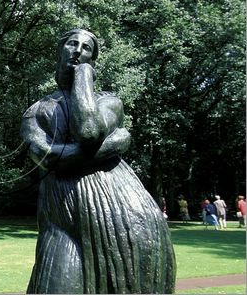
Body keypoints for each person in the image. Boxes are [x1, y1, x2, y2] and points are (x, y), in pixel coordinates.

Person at [21, 29, 175, 294]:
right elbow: (46, 158)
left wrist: (83, 75)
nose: (78, 50)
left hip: (122, 211)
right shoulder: (35, 112)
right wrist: (114, 144)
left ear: (93, 59)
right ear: (60, 49)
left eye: (87, 48)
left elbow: (88, 129)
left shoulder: (109, 102)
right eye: (72, 43)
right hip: (63, 214)